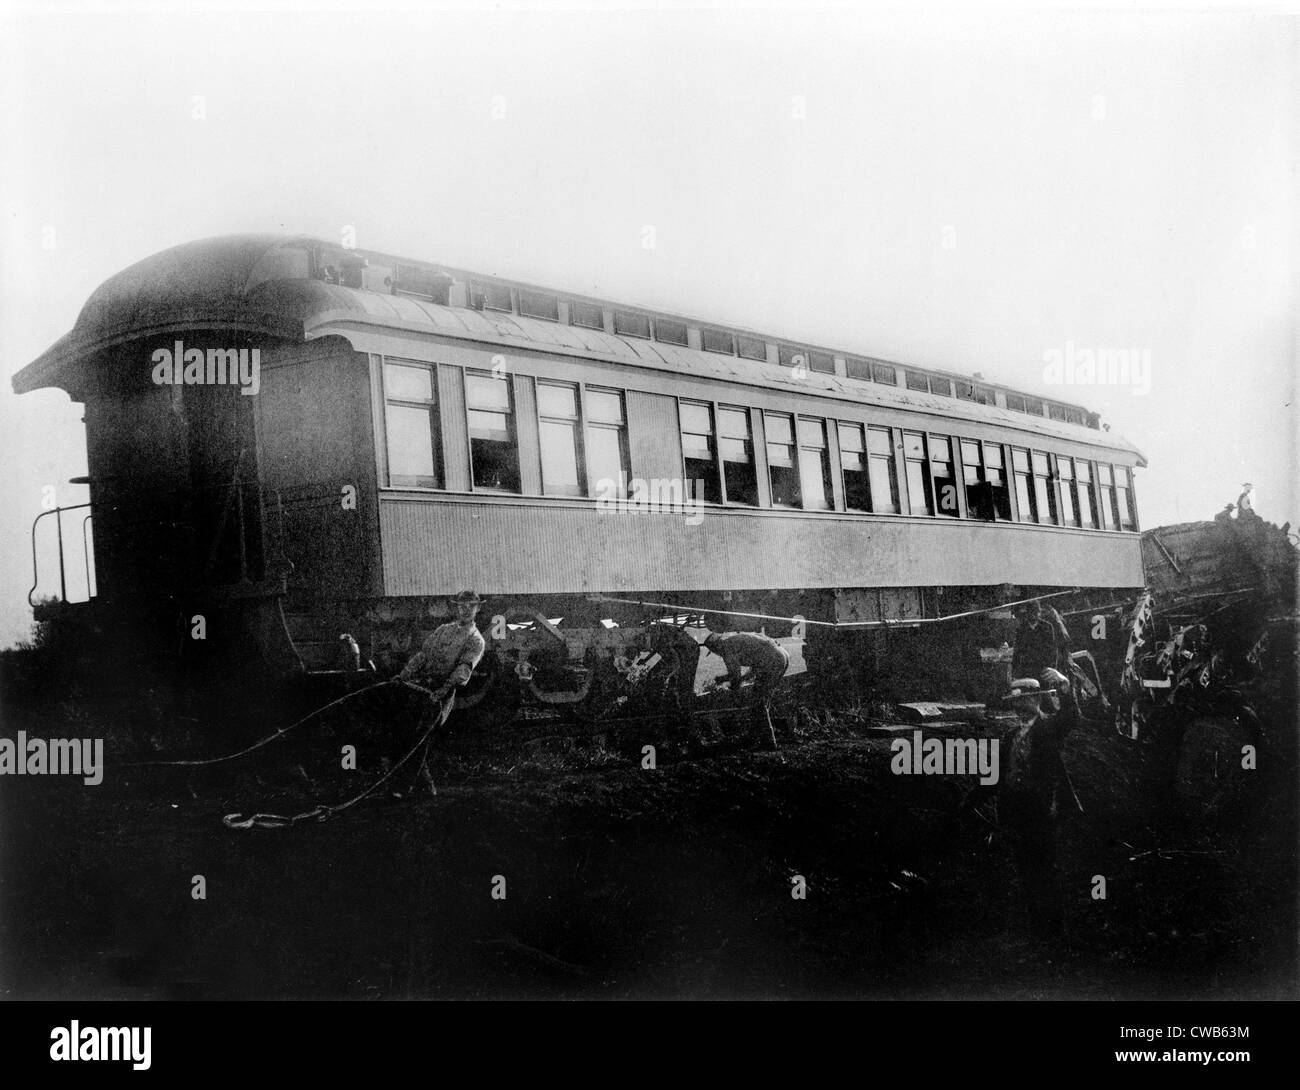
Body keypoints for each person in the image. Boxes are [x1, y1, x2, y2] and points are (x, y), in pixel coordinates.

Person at [397, 590, 486, 793]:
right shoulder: (443, 630)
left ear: (477, 609)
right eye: (461, 605)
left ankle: (405, 787)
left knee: (420, 739)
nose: (465, 610)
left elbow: (463, 669)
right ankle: (427, 788)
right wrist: (403, 675)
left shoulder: (476, 640)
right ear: (456, 607)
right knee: (408, 735)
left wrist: (441, 690)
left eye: (470, 606)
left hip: (441, 694)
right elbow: (423, 656)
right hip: (420, 688)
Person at [702, 631, 790, 751]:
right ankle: (755, 737)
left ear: (715, 646)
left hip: (771, 661)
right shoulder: (737, 639)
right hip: (781, 655)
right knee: (762, 702)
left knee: (758, 702)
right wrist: (737, 680)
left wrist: (724, 682)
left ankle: (768, 741)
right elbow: (753, 667)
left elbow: (735, 676)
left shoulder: (726, 648)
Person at [1011, 598, 1072, 680]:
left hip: (1043, 668)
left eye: (1035, 612)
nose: (1033, 614)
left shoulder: (1047, 627)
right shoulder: (1021, 629)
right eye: (1030, 612)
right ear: (1027, 613)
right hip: (1027, 669)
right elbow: (1017, 651)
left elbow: (1052, 651)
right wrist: (1015, 671)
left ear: (1039, 612)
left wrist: (1052, 669)